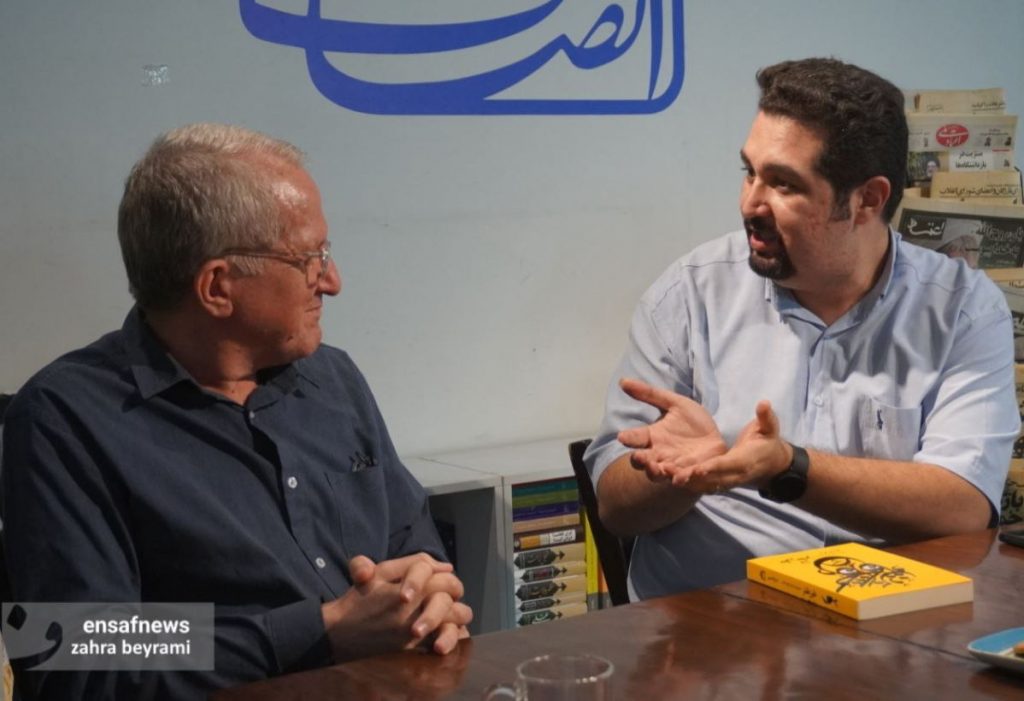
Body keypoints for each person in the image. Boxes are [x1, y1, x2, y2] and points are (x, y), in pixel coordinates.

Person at [1, 124, 472, 698]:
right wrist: (315, 633)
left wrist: (426, 598)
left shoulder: (334, 380)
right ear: (217, 287)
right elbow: (74, 646)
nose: (332, 281)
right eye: (311, 258)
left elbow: (418, 552)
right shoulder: (65, 418)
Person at [585, 58, 1018, 600]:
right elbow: (615, 506)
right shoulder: (690, 294)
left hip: (890, 620)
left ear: (867, 200)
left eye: (784, 184)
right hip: (712, 618)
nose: (750, 203)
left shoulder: (962, 309)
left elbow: (963, 506)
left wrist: (787, 468)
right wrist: (676, 474)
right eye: (749, 172)